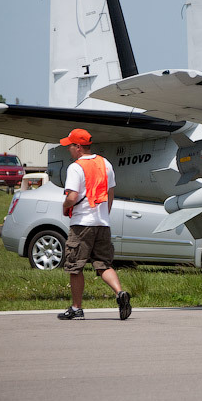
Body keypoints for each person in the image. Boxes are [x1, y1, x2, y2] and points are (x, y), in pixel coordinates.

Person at [56, 128, 131, 320]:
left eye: (70, 146)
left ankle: (76, 308)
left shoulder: (75, 167)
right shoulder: (105, 163)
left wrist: (64, 206)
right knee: (103, 265)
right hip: (102, 222)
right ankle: (119, 293)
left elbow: (72, 196)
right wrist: (105, 213)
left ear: (78, 147)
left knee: (75, 266)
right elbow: (111, 193)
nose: (68, 149)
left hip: (82, 224)